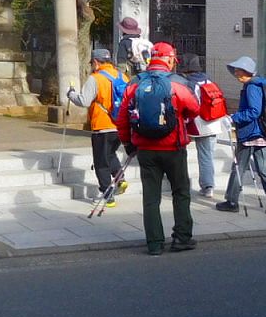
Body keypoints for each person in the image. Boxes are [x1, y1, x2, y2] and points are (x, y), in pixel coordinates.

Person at [115, 42, 200, 255]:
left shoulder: (135, 83)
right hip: (173, 147)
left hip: (145, 149)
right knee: (180, 192)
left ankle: (154, 243)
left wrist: (128, 144)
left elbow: (122, 119)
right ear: (169, 59)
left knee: (151, 197)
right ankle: (182, 238)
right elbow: (195, 109)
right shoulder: (178, 84)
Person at [215, 55, 266, 215]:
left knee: (238, 167)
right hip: (260, 134)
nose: (235, 73)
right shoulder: (258, 85)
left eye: (238, 70)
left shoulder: (251, 87)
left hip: (250, 134)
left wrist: (233, 118)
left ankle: (232, 201)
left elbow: (254, 111)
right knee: (264, 169)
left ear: (245, 71)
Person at [66, 48, 128, 207]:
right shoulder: (123, 76)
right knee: (111, 153)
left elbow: (84, 101)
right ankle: (120, 179)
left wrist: (71, 94)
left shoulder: (95, 78)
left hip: (102, 125)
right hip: (120, 126)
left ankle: (107, 196)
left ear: (95, 62)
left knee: (101, 162)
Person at [179, 53, 230, 199]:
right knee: (207, 155)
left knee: (192, 154)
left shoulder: (188, 83)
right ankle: (208, 186)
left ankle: (199, 185)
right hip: (214, 121)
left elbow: (189, 104)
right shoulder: (208, 79)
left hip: (198, 123)